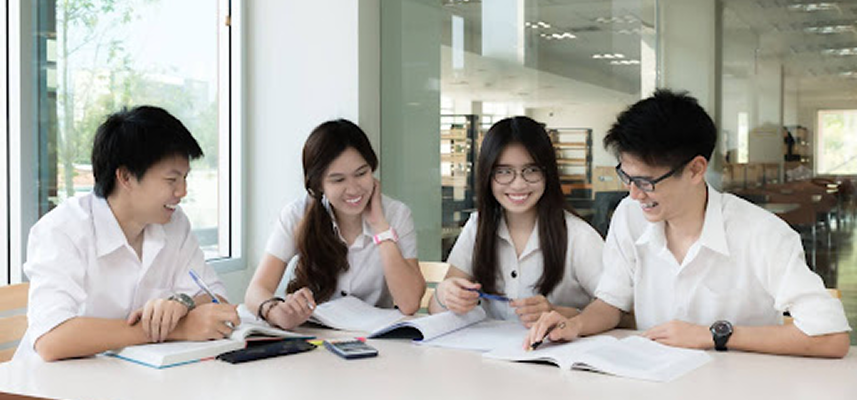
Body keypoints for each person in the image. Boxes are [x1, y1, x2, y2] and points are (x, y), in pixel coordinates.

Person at [526, 89, 852, 358]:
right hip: (654, 379)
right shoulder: (629, 216)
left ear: (696, 170)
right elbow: (611, 303)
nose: (635, 194)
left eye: (647, 181)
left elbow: (831, 337)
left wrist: (715, 336)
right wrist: (577, 325)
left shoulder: (762, 233)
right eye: (626, 176)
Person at [18, 106, 239, 362]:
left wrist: (184, 303)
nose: (182, 191)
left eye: (185, 178)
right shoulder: (63, 230)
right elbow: (52, 339)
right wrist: (176, 329)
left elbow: (217, 299)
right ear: (126, 177)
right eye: (172, 180)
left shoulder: (174, 224)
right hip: (52, 387)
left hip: (134, 379)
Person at [245, 119, 425, 330]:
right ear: (319, 184)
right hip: (314, 339)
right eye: (338, 180)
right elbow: (256, 290)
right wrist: (275, 312)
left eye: (361, 173)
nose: (353, 189)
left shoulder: (396, 215)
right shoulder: (297, 215)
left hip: (376, 341)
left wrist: (380, 227)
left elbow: (410, 302)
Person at [429, 116, 604, 327]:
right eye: (504, 172)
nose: (519, 184)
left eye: (531, 170)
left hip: (554, 355)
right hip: (486, 355)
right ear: (487, 176)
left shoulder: (579, 237)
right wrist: (444, 295)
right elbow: (436, 310)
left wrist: (558, 313)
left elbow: (623, 315)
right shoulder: (478, 226)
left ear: (548, 173)